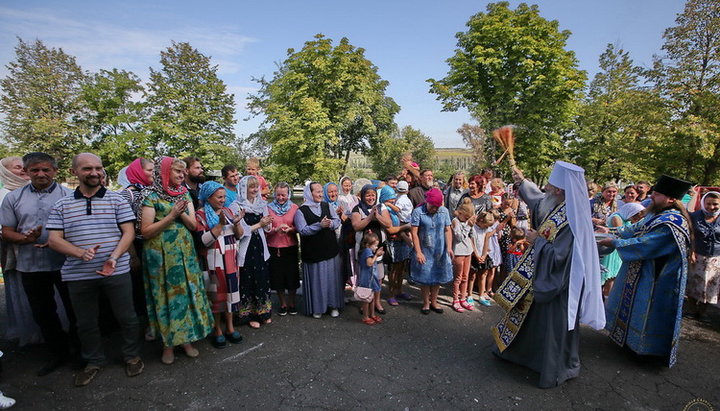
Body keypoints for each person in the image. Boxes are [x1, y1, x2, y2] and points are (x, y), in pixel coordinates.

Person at [492, 161, 605, 389]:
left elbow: (561, 257)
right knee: (531, 321)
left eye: (551, 186)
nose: (547, 190)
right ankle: (522, 355)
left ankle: (552, 367)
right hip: (542, 276)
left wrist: (536, 241)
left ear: (560, 191)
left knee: (551, 328)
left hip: (558, 285)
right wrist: (521, 181)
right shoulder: (559, 206)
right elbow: (537, 201)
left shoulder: (572, 219)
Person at [47, 153, 144, 387]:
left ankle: (132, 356)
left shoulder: (116, 200)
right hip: (78, 273)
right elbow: (53, 240)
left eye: (98, 168)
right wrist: (80, 253)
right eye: (87, 168)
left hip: (116, 269)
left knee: (127, 316)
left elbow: (128, 232)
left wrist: (113, 257)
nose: (94, 173)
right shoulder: (62, 204)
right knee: (86, 321)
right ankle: (93, 361)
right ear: (74, 173)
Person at [602, 175, 692, 367]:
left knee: (648, 312)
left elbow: (648, 243)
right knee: (633, 306)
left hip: (657, 278)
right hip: (639, 269)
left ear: (671, 199)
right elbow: (634, 229)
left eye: (657, 194)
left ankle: (646, 351)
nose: (651, 197)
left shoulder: (673, 221)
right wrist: (610, 231)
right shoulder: (655, 214)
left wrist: (616, 242)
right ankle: (627, 341)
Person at [0, 152, 77, 376]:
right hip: (30, 264)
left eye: (45, 170)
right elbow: (6, 232)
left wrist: (59, 242)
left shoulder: (69, 195)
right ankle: (57, 353)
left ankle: (80, 353)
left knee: (75, 310)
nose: (41, 174)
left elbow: (79, 228)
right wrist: (26, 239)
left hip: (66, 263)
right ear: (27, 171)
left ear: (54, 171)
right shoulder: (13, 198)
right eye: (35, 170)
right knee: (44, 312)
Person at [140, 157, 213, 365]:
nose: (182, 176)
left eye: (183, 173)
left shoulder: (184, 194)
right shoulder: (150, 195)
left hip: (184, 251)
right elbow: (145, 231)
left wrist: (180, 214)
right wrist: (171, 215)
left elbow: (192, 226)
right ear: (164, 173)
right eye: (177, 172)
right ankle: (167, 345)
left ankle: (186, 340)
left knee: (185, 295)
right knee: (165, 298)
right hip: (159, 254)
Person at [195, 181, 244, 348]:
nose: (223, 200)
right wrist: (220, 225)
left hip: (230, 260)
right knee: (216, 296)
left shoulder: (228, 211)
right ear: (208, 198)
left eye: (224, 196)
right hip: (213, 262)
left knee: (231, 294)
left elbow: (239, 236)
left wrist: (236, 223)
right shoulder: (200, 215)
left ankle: (230, 327)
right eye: (219, 197)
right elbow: (203, 241)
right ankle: (217, 329)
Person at [0, 156, 38, 348]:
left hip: (40, 252)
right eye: (17, 168)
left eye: (25, 167)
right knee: (23, 292)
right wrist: (24, 237)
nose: (23, 171)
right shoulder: (4, 195)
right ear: (6, 171)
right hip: (16, 253)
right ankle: (30, 332)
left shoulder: (30, 191)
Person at [294, 182, 343, 318]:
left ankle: (333, 305)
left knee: (331, 280)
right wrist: (319, 225)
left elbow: (337, 220)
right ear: (309, 193)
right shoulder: (301, 211)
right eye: (317, 192)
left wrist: (331, 223)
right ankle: (318, 308)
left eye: (322, 191)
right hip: (313, 252)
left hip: (330, 249)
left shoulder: (326, 206)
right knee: (317, 281)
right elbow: (302, 230)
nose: (321, 194)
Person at [229, 175, 273, 329]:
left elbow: (267, 228)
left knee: (261, 278)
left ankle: (263, 312)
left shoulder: (262, 204)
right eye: (251, 187)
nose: (255, 190)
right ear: (244, 189)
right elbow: (240, 233)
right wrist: (260, 224)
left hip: (260, 246)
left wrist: (267, 224)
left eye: (257, 187)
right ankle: (248, 315)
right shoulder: (236, 206)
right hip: (246, 248)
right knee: (248, 279)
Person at [117, 158, 154, 319]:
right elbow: (123, 227)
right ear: (137, 172)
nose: (153, 173)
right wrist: (132, 255)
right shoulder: (127, 194)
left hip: (152, 244)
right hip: (137, 246)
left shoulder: (151, 191)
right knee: (140, 287)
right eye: (149, 170)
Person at [410, 188, 453, 315]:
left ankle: (434, 301)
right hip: (425, 249)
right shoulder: (418, 212)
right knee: (425, 276)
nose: (434, 209)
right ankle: (426, 302)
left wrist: (449, 247)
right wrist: (418, 251)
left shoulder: (444, 211)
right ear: (427, 202)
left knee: (437, 276)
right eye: (432, 206)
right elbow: (414, 233)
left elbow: (447, 229)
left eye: (437, 207)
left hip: (439, 249)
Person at [351, 184, 392, 314]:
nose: (370, 198)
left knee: (378, 277)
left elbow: (388, 224)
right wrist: (369, 217)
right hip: (364, 249)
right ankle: (364, 302)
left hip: (378, 247)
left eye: (373, 195)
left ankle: (377, 302)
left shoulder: (381, 207)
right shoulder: (357, 208)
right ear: (363, 196)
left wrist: (377, 216)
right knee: (364, 277)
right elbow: (356, 226)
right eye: (368, 195)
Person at [266, 182, 300, 316]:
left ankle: (292, 302)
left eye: (283, 195)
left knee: (292, 276)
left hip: (290, 246)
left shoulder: (294, 208)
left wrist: (291, 229)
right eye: (278, 195)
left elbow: (299, 227)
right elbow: (265, 229)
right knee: (278, 277)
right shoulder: (268, 208)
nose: (280, 198)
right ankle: (282, 303)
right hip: (274, 247)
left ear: (288, 194)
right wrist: (275, 230)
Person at [687, 191, 720, 319]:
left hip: (717, 257)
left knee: (712, 285)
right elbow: (691, 236)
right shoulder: (695, 216)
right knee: (694, 282)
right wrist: (692, 251)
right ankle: (691, 309)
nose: (711, 207)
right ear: (703, 203)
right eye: (708, 204)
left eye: (715, 204)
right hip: (698, 254)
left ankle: (702, 311)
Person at [601, 202, 645, 298]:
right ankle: (606, 299)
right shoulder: (617, 218)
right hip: (612, 251)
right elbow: (621, 231)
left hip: (619, 248)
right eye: (635, 218)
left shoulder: (626, 218)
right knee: (609, 276)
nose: (635, 221)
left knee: (614, 276)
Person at [472, 211, 503, 307]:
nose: (487, 228)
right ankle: (468, 295)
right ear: (481, 221)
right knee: (472, 276)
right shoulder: (473, 228)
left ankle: (482, 294)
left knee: (483, 274)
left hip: (484, 254)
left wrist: (484, 255)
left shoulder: (485, 229)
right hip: (474, 254)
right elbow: (472, 241)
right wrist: (476, 254)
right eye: (486, 226)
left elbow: (486, 240)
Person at [451, 202, 476, 312]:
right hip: (459, 251)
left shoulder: (467, 221)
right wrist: (468, 226)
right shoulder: (455, 221)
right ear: (460, 213)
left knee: (465, 276)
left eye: (468, 218)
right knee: (458, 277)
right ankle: (455, 299)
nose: (466, 219)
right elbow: (459, 237)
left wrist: (471, 225)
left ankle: (463, 298)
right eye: (465, 217)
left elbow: (471, 236)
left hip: (468, 251)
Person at [357, 231, 384, 325]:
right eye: (375, 245)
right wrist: (377, 255)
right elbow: (369, 263)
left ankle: (372, 314)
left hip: (371, 278)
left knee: (371, 298)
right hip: (367, 279)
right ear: (368, 244)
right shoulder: (367, 251)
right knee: (366, 299)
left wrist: (376, 253)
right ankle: (365, 316)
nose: (376, 247)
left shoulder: (368, 250)